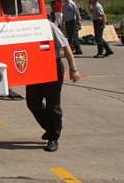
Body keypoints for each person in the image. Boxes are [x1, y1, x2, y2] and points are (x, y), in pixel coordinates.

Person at [26, 20, 81, 152]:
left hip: (52, 66)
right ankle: (50, 128)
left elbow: (65, 46)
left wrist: (73, 69)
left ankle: (53, 137)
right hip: (34, 67)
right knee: (32, 102)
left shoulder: (49, 26)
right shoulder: (24, 27)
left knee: (53, 104)